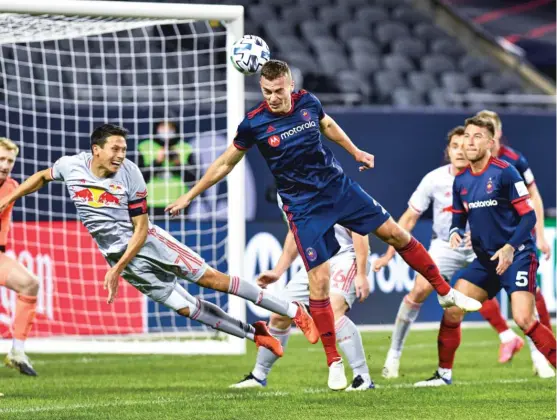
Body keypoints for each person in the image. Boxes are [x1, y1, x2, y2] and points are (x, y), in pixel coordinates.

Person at [165, 59, 481, 390]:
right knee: (318, 281)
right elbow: (225, 162)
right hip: (303, 207)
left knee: (396, 234)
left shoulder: (308, 102)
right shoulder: (253, 123)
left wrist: (355, 151)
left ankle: (445, 294)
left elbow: (327, 125)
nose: (273, 98)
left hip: (337, 188)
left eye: (278, 91)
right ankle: (333, 362)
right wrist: (190, 195)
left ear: (290, 86)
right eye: (266, 92)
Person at [0, 124, 319, 360]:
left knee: (212, 280)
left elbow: (140, 229)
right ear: (96, 150)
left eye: (123, 149)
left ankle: (292, 310)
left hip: (147, 243)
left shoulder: (131, 174)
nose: (120, 155)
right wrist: (10, 198)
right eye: (115, 149)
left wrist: (117, 270)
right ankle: (255, 335)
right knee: (186, 308)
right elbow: (42, 176)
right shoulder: (71, 166)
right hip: (116, 256)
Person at [376, 127, 554, 379]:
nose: (465, 146)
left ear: (486, 145)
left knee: (524, 311)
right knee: (438, 301)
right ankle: (420, 366)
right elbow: (434, 218)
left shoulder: (501, 173)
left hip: (503, 251)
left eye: (471, 141)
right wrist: (452, 233)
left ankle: (542, 359)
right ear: (448, 151)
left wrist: (513, 244)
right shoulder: (448, 180)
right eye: (459, 143)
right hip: (466, 253)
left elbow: (525, 214)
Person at [230, 194, 374, 391]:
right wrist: (278, 271)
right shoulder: (284, 195)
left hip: (345, 256)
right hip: (317, 262)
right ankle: (258, 376)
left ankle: (362, 377)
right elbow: (294, 233)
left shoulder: (326, 181)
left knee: (334, 310)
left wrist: (361, 272)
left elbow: (358, 227)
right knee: (280, 313)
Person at [475, 110, 554, 377]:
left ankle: (540, 353)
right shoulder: (472, 161)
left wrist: (540, 234)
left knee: (529, 294)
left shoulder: (514, 160)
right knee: (471, 290)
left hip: (515, 235)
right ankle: (508, 336)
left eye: (491, 131)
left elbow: (534, 197)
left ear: (497, 133)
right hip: (486, 238)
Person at [0, 138, 39, 376]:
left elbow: (4, 225)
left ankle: (17, 352)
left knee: (30, 284)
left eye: (10, 161)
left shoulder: (11, 186)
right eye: (1, 159)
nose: (5, 164)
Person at [137, 121, 197, 216]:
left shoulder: (185, 148)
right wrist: (157, 162)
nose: (166, 131)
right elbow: (137, 179)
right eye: (163, 127)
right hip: (150, 203)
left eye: (170, 127)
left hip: (178, 203)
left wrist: (178, 164)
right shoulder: (144, 147)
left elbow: (194, 179)